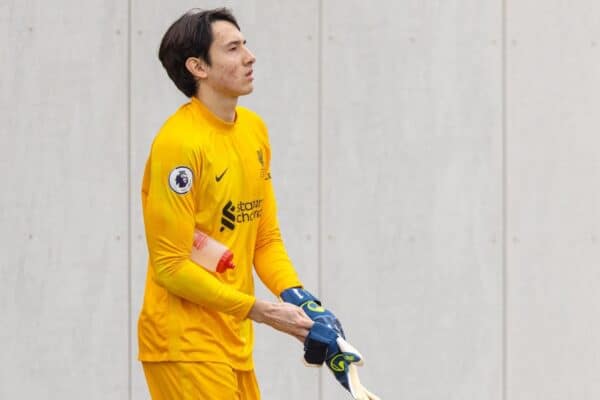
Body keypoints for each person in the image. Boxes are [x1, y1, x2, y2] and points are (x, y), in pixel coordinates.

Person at [137, 8, 356, 400]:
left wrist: (300, 301)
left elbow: (264, 237)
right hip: (183, 345)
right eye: (233, 48)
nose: (249, 56)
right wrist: (264, 311)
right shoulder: (179, 144)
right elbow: (170, 266)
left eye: (245, 44)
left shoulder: (253, 131)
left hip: (233, 342)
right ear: (197, 67)